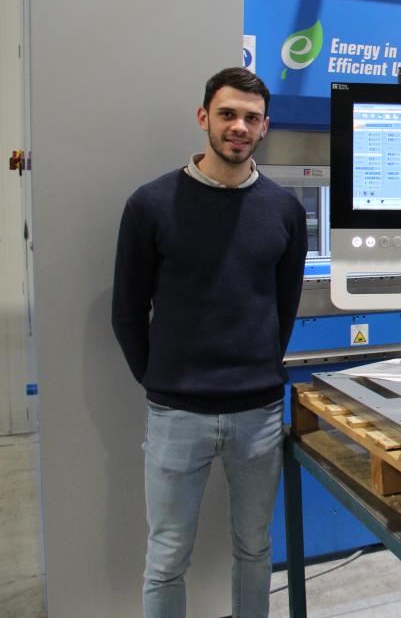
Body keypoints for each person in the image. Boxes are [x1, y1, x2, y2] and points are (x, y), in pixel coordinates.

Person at [112, 67, 308, 618]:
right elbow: (127, 311)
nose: (238, 126)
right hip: (177, 414)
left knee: (255, 549)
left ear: (264, 127)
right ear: (204, 118)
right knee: (166, 557)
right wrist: (162, 381)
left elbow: (284, 307)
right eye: (227, 114)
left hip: (258, 414)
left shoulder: (284, 211)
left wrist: (257, 369)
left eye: (251, 117)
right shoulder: (151, 204)